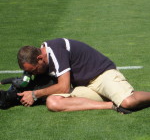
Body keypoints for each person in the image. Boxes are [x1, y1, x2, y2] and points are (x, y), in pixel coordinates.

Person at [17, 38, 150, 113]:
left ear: (40, 58)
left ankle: (123, 99)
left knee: (128, 102)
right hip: (86, 86)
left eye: (34, 70)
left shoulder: (56, 50)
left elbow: (63, 87)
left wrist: (34, 94)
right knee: (53, 102)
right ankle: (112, 105)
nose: (34, 74)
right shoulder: (43, 57)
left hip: (103, 76)